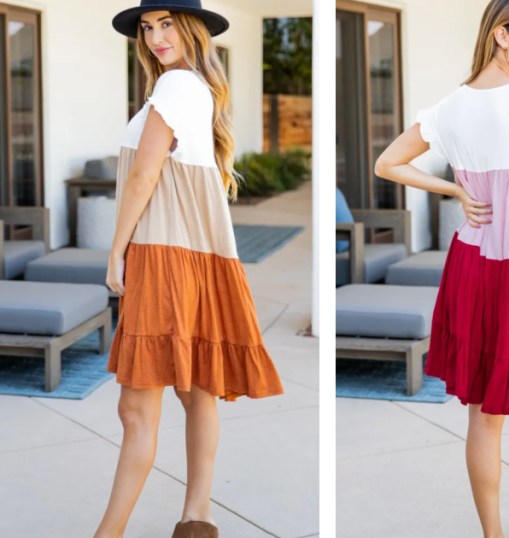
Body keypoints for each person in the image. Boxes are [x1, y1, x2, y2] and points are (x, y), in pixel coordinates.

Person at [373, 1, 509, 536]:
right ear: (500, 35)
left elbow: (388, 163)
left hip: (475, 264)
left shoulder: (450, 108)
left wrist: (454, 187)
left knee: (484, 411)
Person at [98, 2, 284, 537]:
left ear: (193, 29)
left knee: (136, 409)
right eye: (148, 28)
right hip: (198, 255)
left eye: (167, 24)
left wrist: (116, 250)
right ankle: (197, 516)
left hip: (162, 252)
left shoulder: (175, 87)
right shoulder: (194, 86)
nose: (156, 37)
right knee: (195, 389)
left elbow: (144, 177)